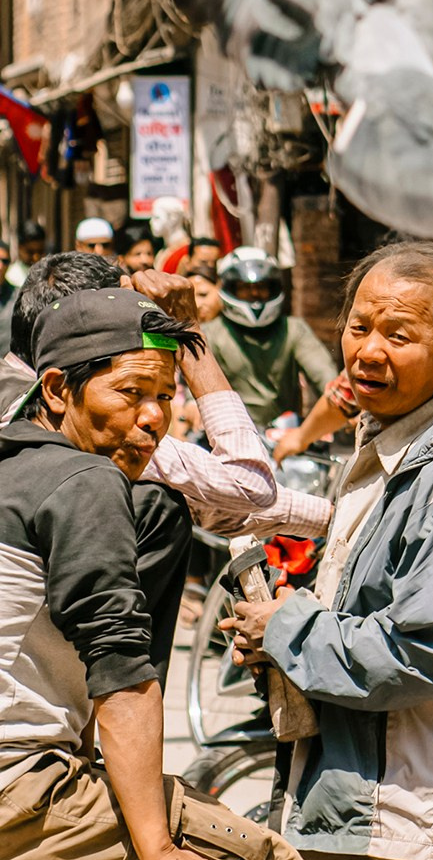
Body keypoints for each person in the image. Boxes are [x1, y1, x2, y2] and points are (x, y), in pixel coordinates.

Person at [226, 242, 433, 860]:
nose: (368, 349)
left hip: (414, 834)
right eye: (360, 325)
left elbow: (426, 648)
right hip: (366, 821)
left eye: (400, 334)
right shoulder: (391, 445)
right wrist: (278, 639)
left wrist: (287, 625)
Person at [0, 286, 311, 860]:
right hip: (20, 794)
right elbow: (120, 678)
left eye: (166, 397)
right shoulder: (85, 482)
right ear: (57, 390)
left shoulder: (18, 461)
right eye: (131, 393)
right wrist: (159, 848)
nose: (152, 417)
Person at [0, 253, 332, 665]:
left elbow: (219, 506)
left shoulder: (17, 386)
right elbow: (249, 487)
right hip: (44, 678)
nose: (153, 415)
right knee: (162, 510)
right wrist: (189, 331)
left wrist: (340, 520)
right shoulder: (80, 416)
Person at [206, 247, 340, 429]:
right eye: (245, 288)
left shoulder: (293, 329)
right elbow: (198, 388)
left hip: (282, 435)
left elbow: (323, 375)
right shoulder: (211, 334)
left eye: (261, 287)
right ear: (230, 289)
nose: (254, 294)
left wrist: (341, 402)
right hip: (225, 433)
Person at [6, 221, 45, 288]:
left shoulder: (47, 272)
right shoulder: (11, 277)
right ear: (19, 248)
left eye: (40, 251)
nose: (36, 257)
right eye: (30, 252)